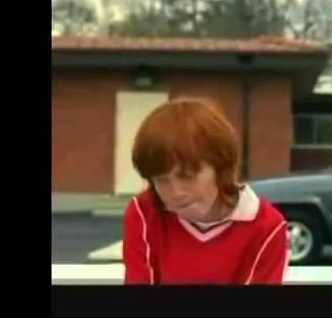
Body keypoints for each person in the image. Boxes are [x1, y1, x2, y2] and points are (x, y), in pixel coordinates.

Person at [122, 97, 289, 285]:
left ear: (221, 167)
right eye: (162, 180)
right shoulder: (143, 212)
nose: (176, 192)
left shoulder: (267, 227)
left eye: (187, 176)